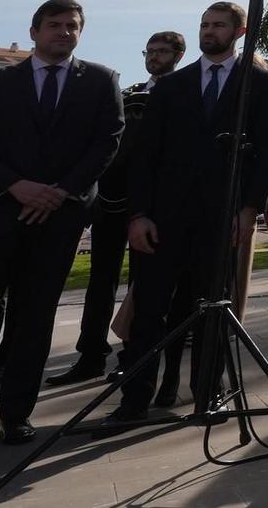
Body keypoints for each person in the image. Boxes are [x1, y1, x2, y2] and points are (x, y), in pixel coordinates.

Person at [0, 0, 122, 452]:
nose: (64, 32)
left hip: (57, 220)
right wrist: (17, 186)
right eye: (54, 25)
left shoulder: (102, 82)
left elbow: (106, 145)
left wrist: (59, 191)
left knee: (34, 319)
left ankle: (16, 416)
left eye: (72, 26)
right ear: (34, 32)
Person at [106, 2, 268, 425]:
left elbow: (265, 151)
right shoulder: (172, 86)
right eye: (204, 24)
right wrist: (139, 214)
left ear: (239, 32)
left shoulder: (257, 84)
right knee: (149, 311)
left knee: (212, 310)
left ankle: (209, 394)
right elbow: (146, 156)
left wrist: (250, 208)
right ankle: (133, 401)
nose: (209, 31)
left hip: (220, 218)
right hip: (163, 219)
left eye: (218, 25)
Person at [51, 30, 185, 387]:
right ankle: (91, 354)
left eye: (161, 51)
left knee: (144, 285)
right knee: (100, 280)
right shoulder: (128, 94)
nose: (153, 57)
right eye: (149, 51)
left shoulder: (183, 93)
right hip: (111, 200)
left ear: (178, 55)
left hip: (152, 204)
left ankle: (133, 355)